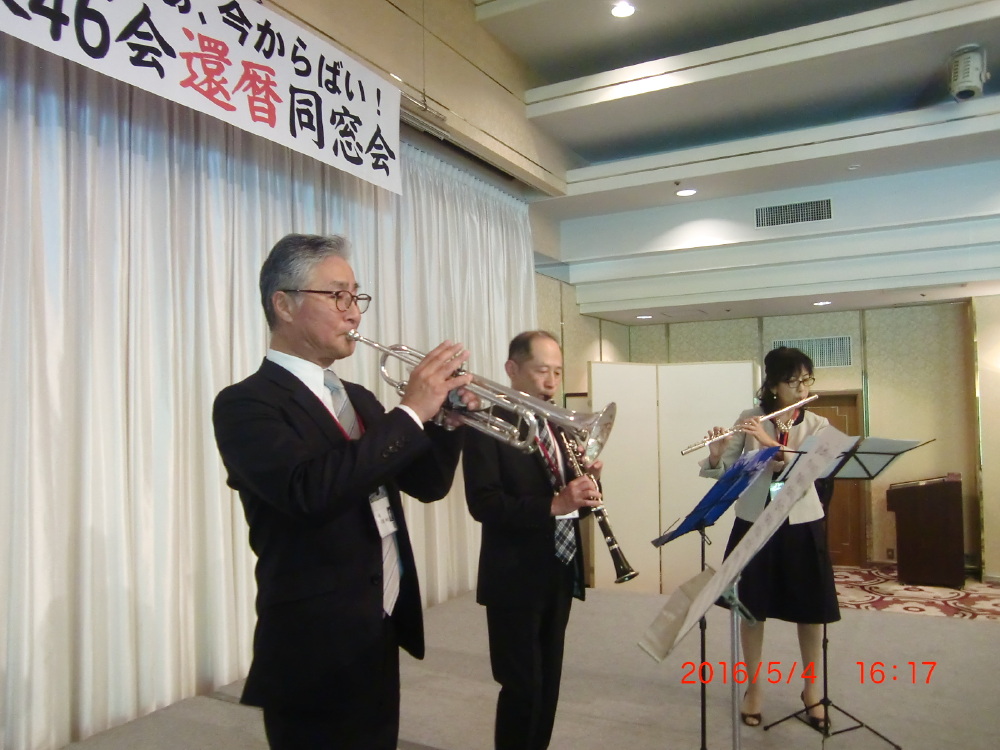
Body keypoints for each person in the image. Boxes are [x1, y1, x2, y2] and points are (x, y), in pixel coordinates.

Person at [212, 233, 478, 750]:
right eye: (337, 296)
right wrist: (410, 411)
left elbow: (427, 485)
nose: (354, 313)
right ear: (284, 305)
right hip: (313, 645)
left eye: (356, 297)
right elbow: (309, 493)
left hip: (378, 624)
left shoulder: (358, 398)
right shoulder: (246, 403)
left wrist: (447, 422)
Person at [462, 330, 604, 750]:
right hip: (514, 576)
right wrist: (555, 504)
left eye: (557, 372)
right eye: (542, 370)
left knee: (549, 684)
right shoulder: (486, 424)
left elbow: (572, 502)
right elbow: (484, 504)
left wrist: (588, 486)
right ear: (512, 369)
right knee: (522, 687)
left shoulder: (560, 427)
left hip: (558, 568)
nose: (551, 381)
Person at [699, 346, 837, 731]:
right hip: (755, 521)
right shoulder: (750, 419)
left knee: (810, 610)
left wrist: (772, 445)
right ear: (773, 385)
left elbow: (811, 471)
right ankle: (754, 687)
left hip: (801, 522)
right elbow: (729, 473)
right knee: (751, 608)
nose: (802, 388)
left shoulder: (818, 424)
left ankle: (812, 689)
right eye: (793, 381)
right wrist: (716, 456)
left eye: (807, 380)